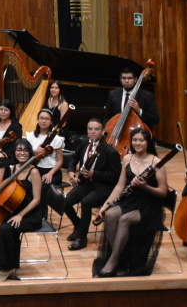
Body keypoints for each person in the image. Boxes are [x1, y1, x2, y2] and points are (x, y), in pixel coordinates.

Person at [94, 128, 167, 277]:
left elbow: (163, 192)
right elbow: (120, 186)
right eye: (135, 140)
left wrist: (145, 187)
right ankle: (121, 257)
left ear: (148, 142)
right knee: (111, 214)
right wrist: (105, 205)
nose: (137, 143)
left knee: (124, 219)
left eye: (141, 140)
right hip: (130, 199)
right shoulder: (127, 158)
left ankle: (114, 260)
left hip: (148, 204)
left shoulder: (157, 163)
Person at [0, 138, 45, 282]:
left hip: (29, 214)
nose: (22, 153)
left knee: (6, 229)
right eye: (19, 150)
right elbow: (6, 192)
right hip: (13, 208)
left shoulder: (34, 172)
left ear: (30, 152)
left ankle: (8, 268)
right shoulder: (13, 169)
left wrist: (21, 216)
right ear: (14, 152)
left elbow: (37, 200)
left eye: (25, 150)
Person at [58, 117, 121, 250]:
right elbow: (74, 158)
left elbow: (116, 176)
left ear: (102, 131)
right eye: (90, 129)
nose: (93, 131)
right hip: (85, 183)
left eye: (96, 129)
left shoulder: (111, 152)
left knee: (86, 202)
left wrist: (95, 174)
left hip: (102, 187)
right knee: (65, 202)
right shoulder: (85, 142)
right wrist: (70, 172)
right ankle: (78, 225)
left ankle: (82, 238)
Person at [104, 66, 160, 131]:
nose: (126, 81)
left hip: (138, 134)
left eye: (130, 78)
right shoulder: (113, 94)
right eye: (123, 78)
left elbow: (155, 119)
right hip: (116, 132)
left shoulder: (147, 95)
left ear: (136, 79)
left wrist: (139, 111)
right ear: (120, 79)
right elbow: (106, 116)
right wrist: (106, 130)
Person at [25, 108, 65, 185]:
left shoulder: (57, 139)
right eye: (41, 118)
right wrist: (35, 151)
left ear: (51, 122)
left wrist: (50, 174)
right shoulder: (30, 136)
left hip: (53, 171)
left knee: (43, 184)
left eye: (47, 119)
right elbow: (24, 154)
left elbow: (60, 161)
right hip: (35, 168)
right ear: (38, 120)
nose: (43, 121)